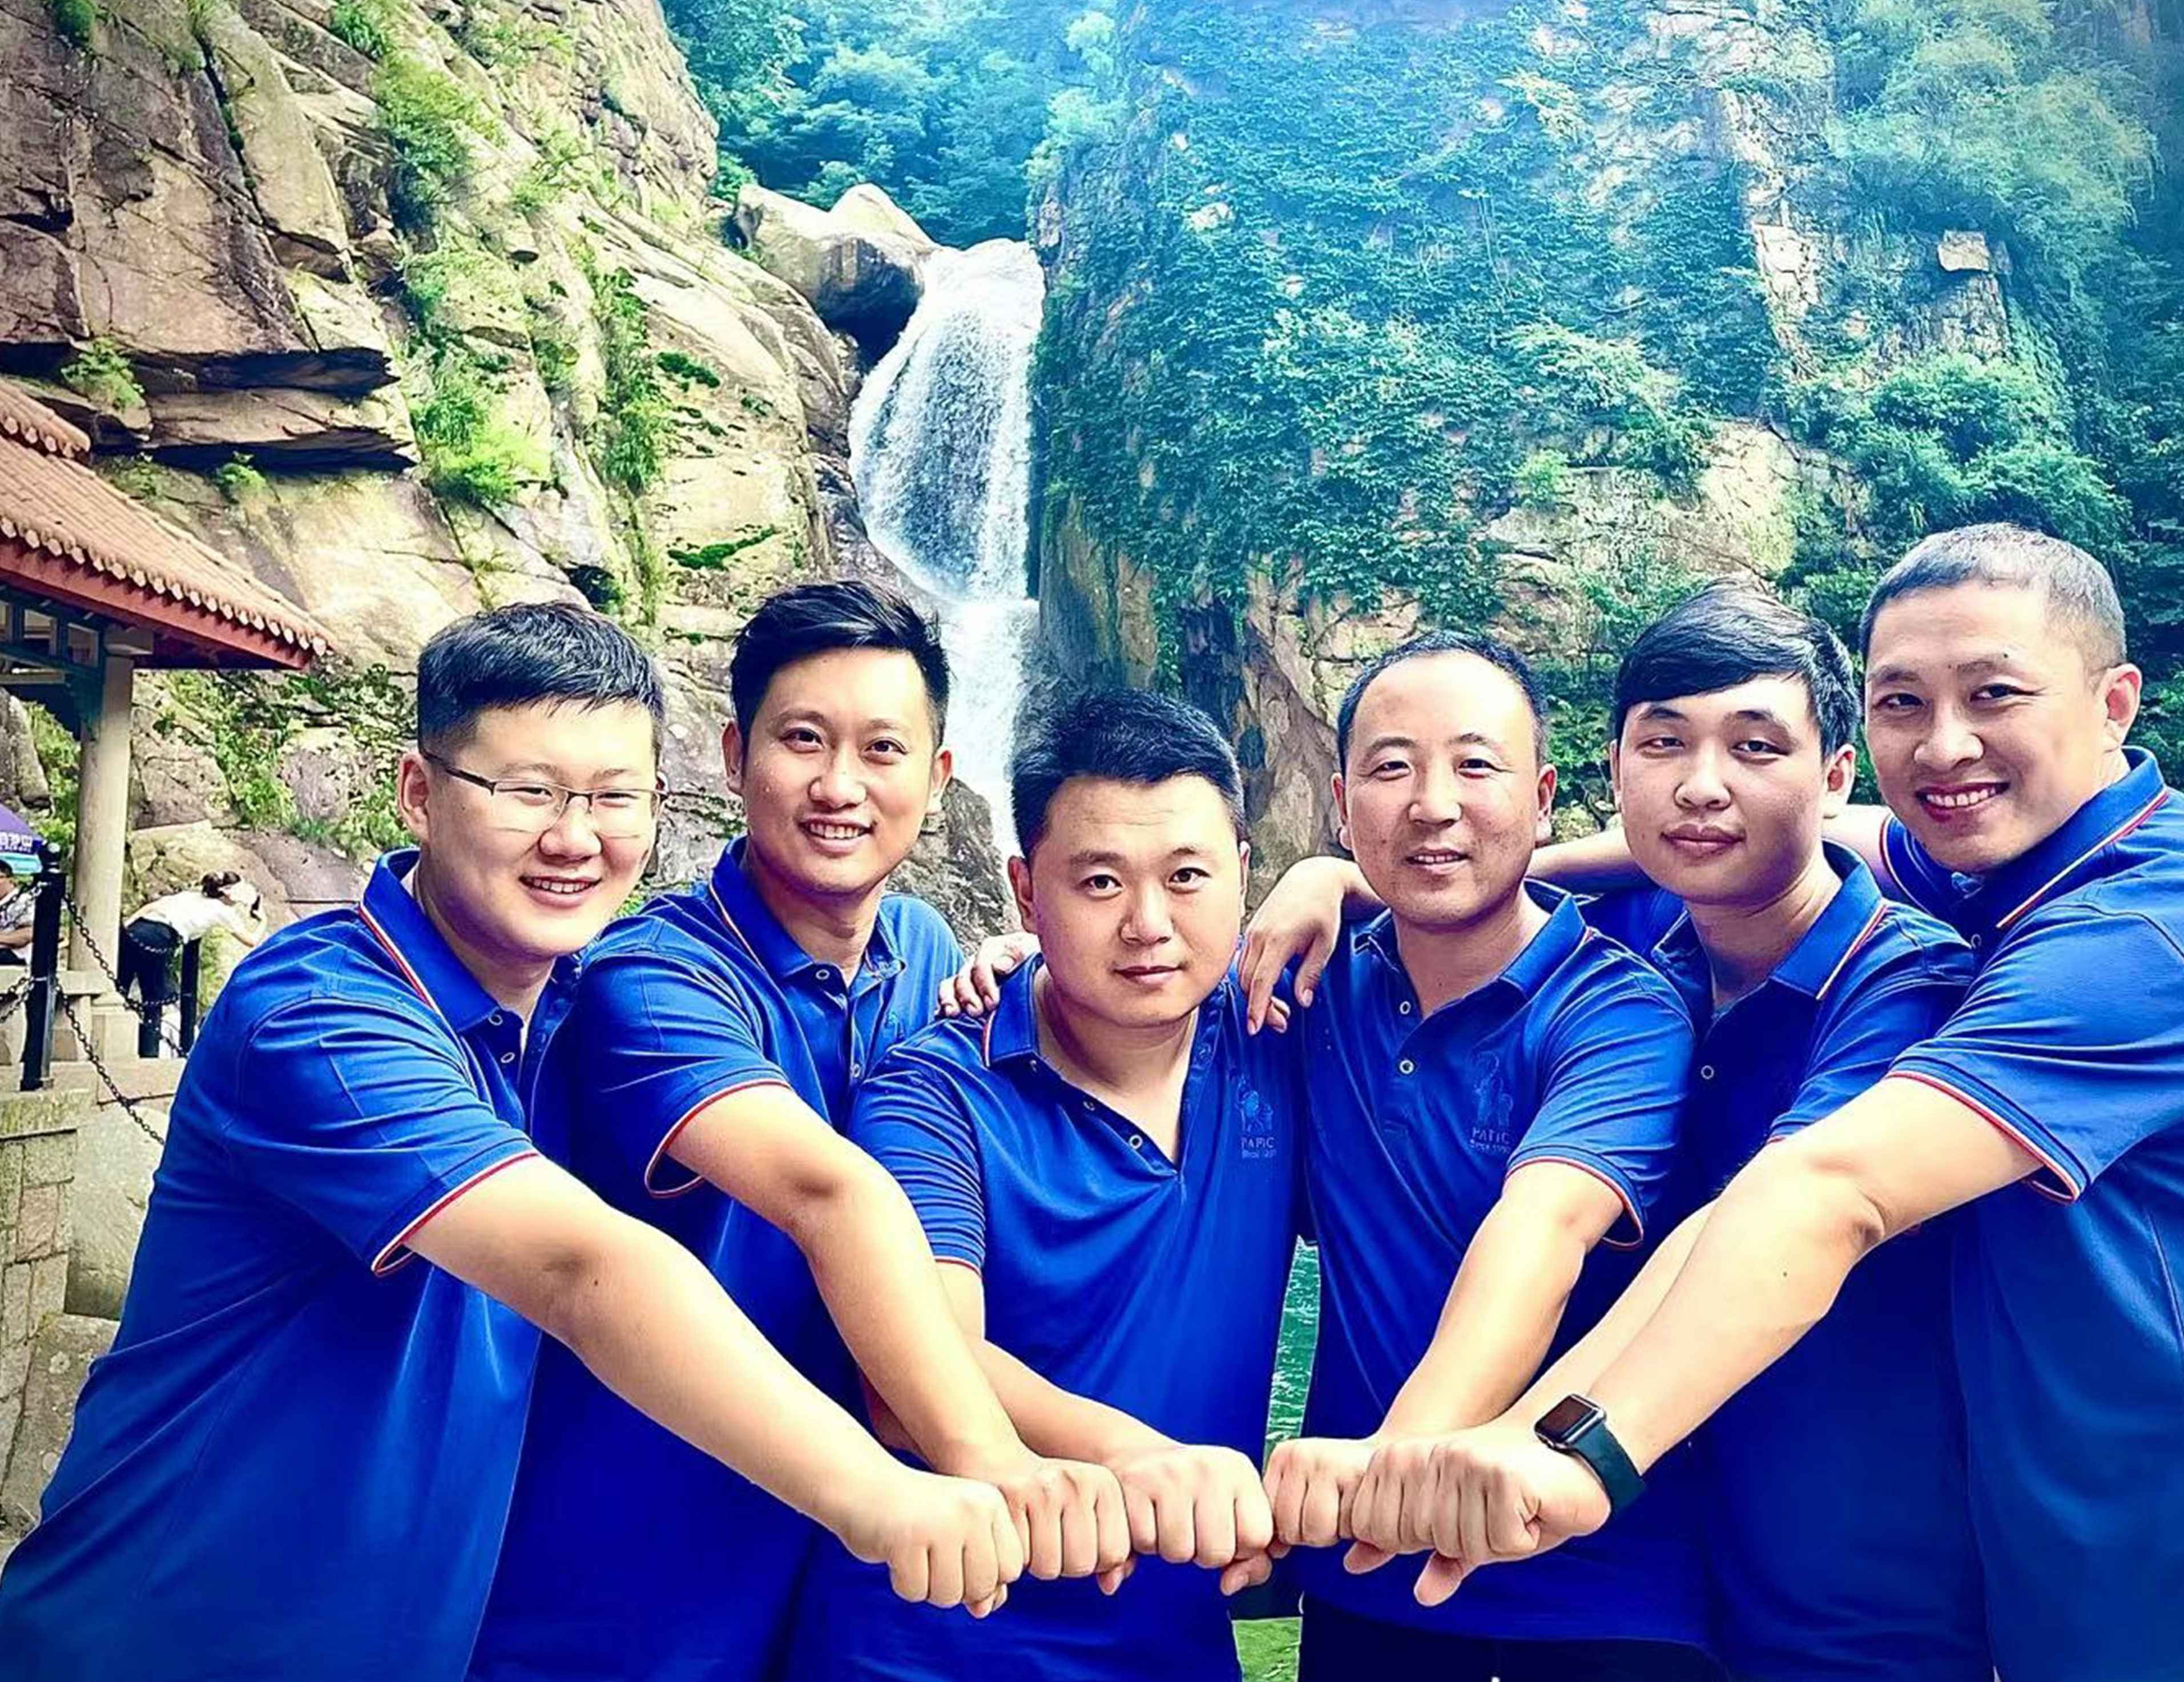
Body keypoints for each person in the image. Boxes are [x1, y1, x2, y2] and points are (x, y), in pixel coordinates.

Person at [1344, 525, 2184, 1682]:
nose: (1945, 743)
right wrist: (1386, 882)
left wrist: (1574, 1453)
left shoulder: (2139, 933)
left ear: (2114, 703)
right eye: (1903, 703)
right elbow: (1840, 833)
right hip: (1998, 1586)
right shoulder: (1995, 864)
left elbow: (1828, 1190)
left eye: (1995, 693)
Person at [0, 601, 1025, 1682]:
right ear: (420, 792)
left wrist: (1029, 982)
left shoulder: (569, 1016)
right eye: (528, 791)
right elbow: (581, 1269)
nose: (574, 839)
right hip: (147, 1641)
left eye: (614, 797)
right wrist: (882, 1493)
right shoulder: (320, 1014)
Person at [1251, 585, 1990, 1679]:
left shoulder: (1894, 985)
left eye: (1755, 746)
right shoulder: (1655, 938)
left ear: (1837, 777)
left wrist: (1410, 1461)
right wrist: (1335, 877)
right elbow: (1475, 870)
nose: (1702, 785)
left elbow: (1618, 1228)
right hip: (1566, 1561)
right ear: (1615, 769)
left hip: (1824, 1591)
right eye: (1665, 743)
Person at [472, 582, 1118, 1682]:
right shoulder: (652, 976)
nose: (840, 786)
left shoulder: (924, 950)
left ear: (938, 777)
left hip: (834, 1583)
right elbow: (828, 1195)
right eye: (803, 740)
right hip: (616, 1598)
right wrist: (994, 1461)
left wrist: (1323, 882)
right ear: (736, 756)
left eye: (882, 748)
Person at [785, 687, 1305, 1682]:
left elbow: (1466, 899)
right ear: (1025, 893)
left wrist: (1332, 876)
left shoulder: (1276, 1034)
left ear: (1244, 874)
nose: (1148, 924)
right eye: (1100, 882)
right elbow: (916, 1368)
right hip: (933, 1646)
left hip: (1174, 1647)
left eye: (1187, 876)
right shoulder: (933, 1093)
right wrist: (1139, 1454)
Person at [1251, 632, 1710, 1682]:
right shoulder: (1310, 992)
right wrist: (1017, 964)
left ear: (1543, 799)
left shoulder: (1619, 1011)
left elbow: (1541, 1235)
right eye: (1392, 767)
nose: (1432, 803)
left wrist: (1393, 1467)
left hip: (1598, 1586)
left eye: (1474, 764)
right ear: (1341, 804)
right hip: (1369, 1591)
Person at [116, 870, 265, 1033]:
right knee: (153, 999)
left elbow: (150, 907)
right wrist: (263, 920)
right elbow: (251, 941)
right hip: (159, 937)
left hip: (136, 929)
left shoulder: (189, 896)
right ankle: (149, 1044)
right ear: (229, 894)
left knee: (119, 990)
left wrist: (128, 927)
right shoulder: (223, 912)